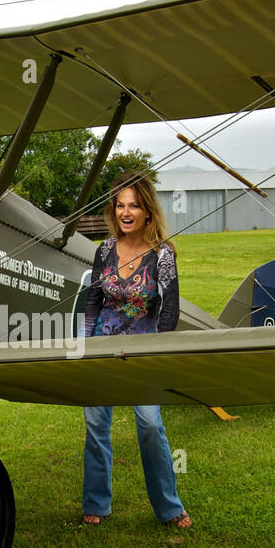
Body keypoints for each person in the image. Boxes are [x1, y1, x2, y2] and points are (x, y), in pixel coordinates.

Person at [80, 172, 191, 528]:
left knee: (148, 423)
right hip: (103, 344)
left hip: (144, 349)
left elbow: (170, 311)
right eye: (120, 205)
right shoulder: (104, 250)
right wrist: (86, 342)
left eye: (134, 206)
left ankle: (169, 507)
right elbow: (94, 299)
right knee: (96, 423)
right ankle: (96, 502)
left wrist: (157, 352)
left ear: (147, 211)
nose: (126, 212)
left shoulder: (163, 256)